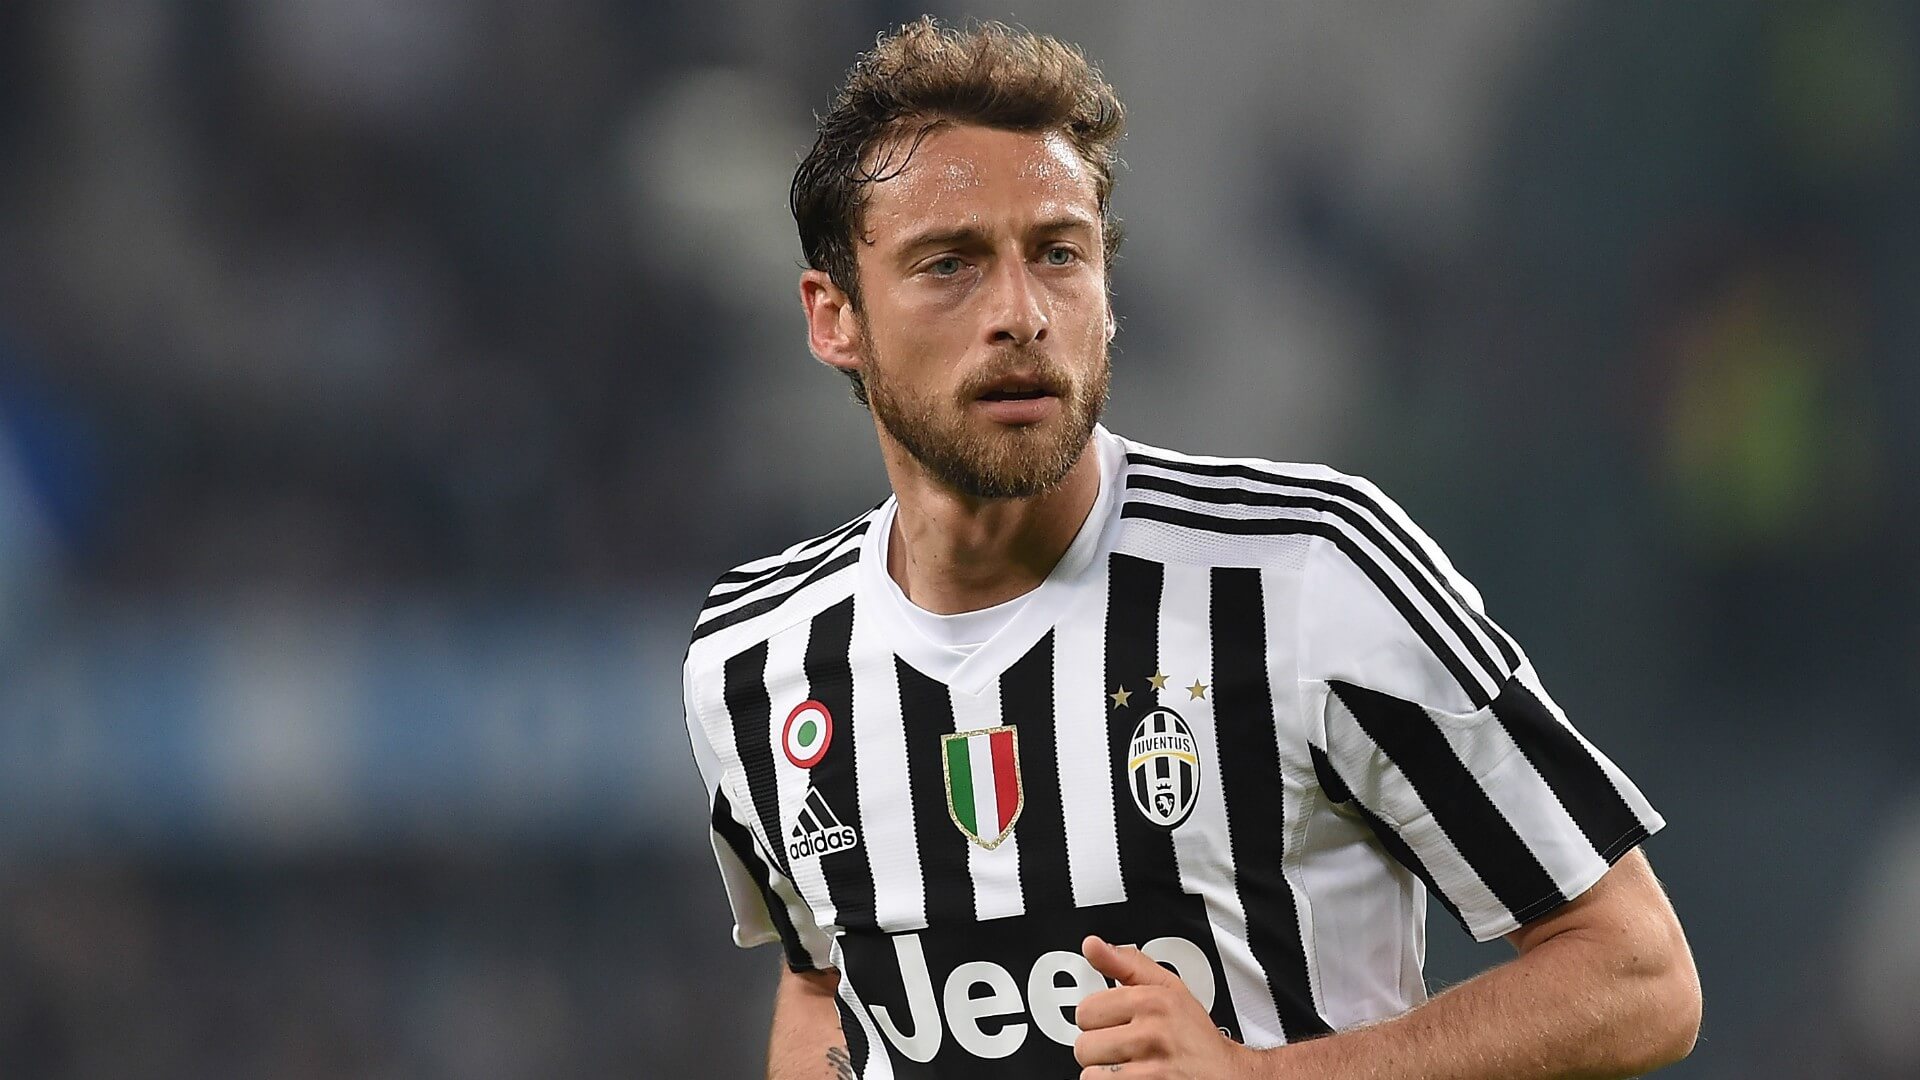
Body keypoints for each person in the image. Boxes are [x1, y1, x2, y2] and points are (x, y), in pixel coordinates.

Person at [683, 18, 1700, 1079]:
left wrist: (1262, 1077)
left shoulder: (1309, 572)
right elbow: (822, 983)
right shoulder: (753, 663)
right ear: (834, 318)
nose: (1022, 314)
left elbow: (1638, 974)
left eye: (1059, 255)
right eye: (950, 265)